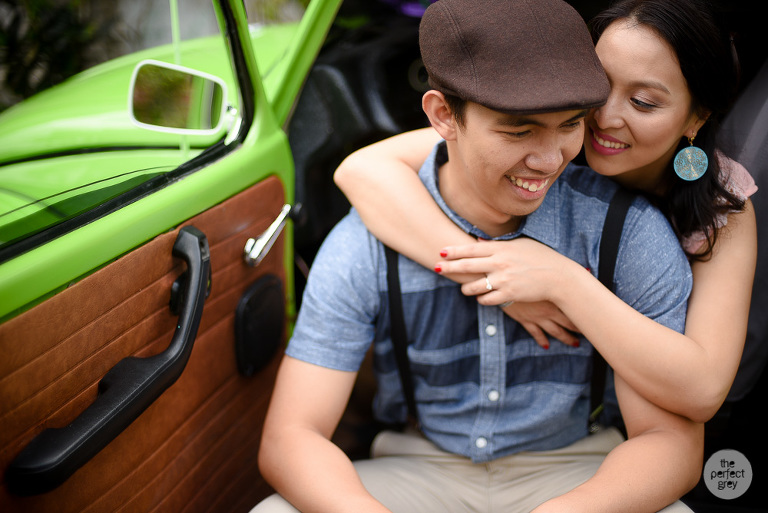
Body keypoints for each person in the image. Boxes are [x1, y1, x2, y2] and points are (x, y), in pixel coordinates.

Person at [254, 0, 701, 511]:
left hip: (581, 471)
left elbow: (670, 443)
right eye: (519, 130)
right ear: (443, 115)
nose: (549, 159)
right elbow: (291, 437)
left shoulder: (626, 231)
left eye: (570, 125)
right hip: (417, 470)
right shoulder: (365, 242)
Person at [334, 0, 758, 424]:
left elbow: (704, 389)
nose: (604, 117)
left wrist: (562, 281)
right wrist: (492, 279)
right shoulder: (552, 135)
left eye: (643, 102)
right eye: (598, 86)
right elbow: (361, 170)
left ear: (696, 117)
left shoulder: (722, 208)